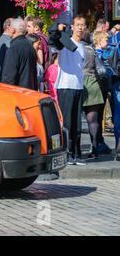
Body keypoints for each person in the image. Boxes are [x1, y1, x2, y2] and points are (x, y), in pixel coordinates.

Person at [52, 15, 87, 165]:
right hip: (65, 86)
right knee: (67, 122)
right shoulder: (65, 42)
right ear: (72, 27)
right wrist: (58, 27)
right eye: (77, 25)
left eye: (82, 25)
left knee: (77, 123)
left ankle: (76, 153)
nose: (80, 28)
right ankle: (67, 153)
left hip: (78, 86)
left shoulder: (83, 45)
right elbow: (53, 38)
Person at [83, 31, 111, 159]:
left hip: (82, 84)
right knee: (94, 119)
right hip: (94, 85)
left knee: (90, 119)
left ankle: (77, 150)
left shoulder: (83, 50)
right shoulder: (95, 52)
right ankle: (95, 147)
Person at [1, 18, 38, 90]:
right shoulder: (30, 46)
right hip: (29, 90)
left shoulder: (14, 48)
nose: (9, 29)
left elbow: (9, 76)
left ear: (13, 30)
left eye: (10, 28)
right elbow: (34, 74)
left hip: (17, 93)